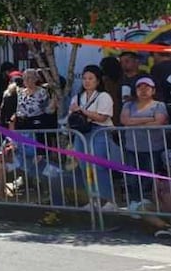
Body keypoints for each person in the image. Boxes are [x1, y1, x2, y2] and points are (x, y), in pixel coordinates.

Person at [69, 65, 116, 209]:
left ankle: (108, 200)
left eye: (90, 78)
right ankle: (93, 199)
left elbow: (102, 117)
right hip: (81, 133)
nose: (87, 81)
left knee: (98, 165)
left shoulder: (103, 96)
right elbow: (72, 115)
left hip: (98, 131)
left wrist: (82, 111)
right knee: (84, 166)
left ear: (97, 81)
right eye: (84, 78)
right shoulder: (77, 97)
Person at [119, 76, 168, 208]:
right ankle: (134, 204)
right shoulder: (128, 105)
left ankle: (149, 205)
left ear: (153, 90)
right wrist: (148, 119)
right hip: (132, 148)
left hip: (154, 148)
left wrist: (134, 121)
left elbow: (159, 122)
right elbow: (125, 121)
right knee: (132, 179)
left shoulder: (159, 105)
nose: (143, 90)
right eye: (140, 87)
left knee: (149, 179)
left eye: (147, 87)